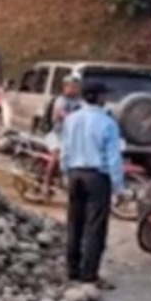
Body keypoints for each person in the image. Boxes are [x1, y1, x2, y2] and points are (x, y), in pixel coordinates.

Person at [60, 82, 123, 289]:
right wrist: (118, 187)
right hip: (97, 176)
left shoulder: (71, 119)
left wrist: (65, 173)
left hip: (75, 174)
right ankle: (90, 274)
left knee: (74, 223)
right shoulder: (107, 123)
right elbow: (113, 159)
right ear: (98, 97)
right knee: (95, 227)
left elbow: (64, 150)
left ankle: (72, 270)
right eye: (104, 95)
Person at [43, 75, 84, 193]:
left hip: (73, 136)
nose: (74, 89)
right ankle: (46, 184)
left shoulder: (80, 101)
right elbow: (61, 113)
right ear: (65, 87)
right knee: (56, 157)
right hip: (57, 134)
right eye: (72, 87)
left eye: (76, 87)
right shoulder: (61, 100)